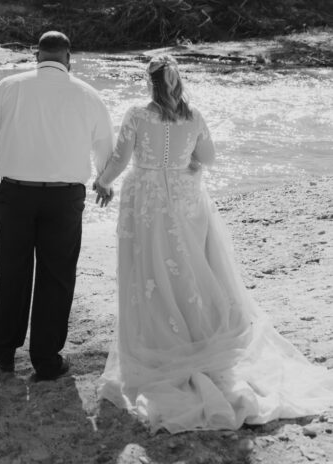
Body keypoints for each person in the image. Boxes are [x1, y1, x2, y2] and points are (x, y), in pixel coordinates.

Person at [93, 53, 333, 433]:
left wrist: (103, 181)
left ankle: (160, 337)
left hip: (147, 201)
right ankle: (199, 331)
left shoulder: (137, 115)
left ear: (150, 81)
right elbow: (208, 158)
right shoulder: (194, 117)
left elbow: (122, 158)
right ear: (176, 81)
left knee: (150, 270)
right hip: (187, 202)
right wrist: (188, 163)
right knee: (191, 267)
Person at [0, 30, 114, 381]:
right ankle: (46, 358)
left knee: (12, 273)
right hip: (64, 198)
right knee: (57, 277)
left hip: (14, 195)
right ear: (69, 59)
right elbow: (105, 149)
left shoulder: (9, 87)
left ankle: (4, 352)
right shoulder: (88, 94)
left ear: (37, 56)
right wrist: (104, 182)